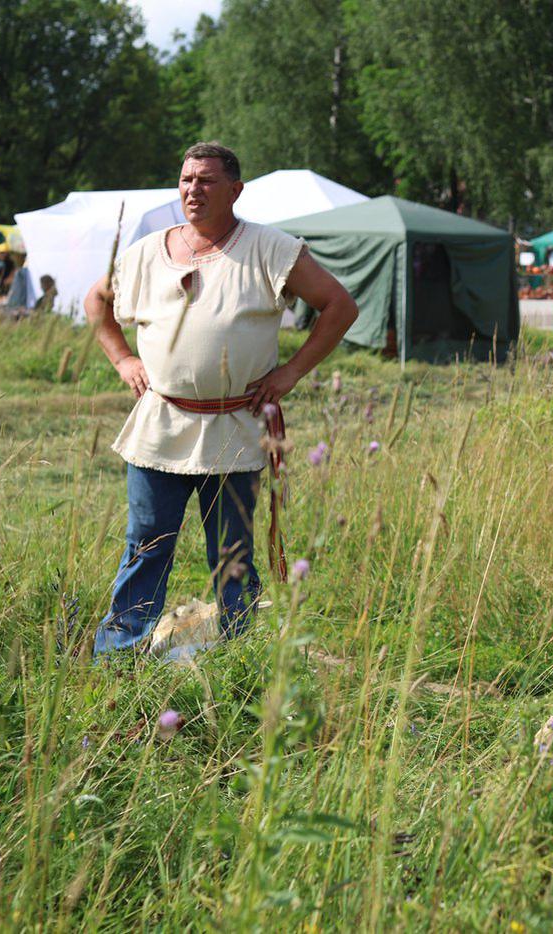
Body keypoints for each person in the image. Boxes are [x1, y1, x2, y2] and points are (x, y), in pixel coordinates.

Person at [84, 141, 359, 655]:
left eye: (207, 180)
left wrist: (292, 372)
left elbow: (340, 305)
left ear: (235, 190)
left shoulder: (270, 248)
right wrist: (123, 360)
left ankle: (238, 654)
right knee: (147, 546)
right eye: (187, 179)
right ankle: (118, 653)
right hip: (161, 426)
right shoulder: (146, 252)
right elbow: (96, 301)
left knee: (233, 553)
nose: (194, 189)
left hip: (236, 427)